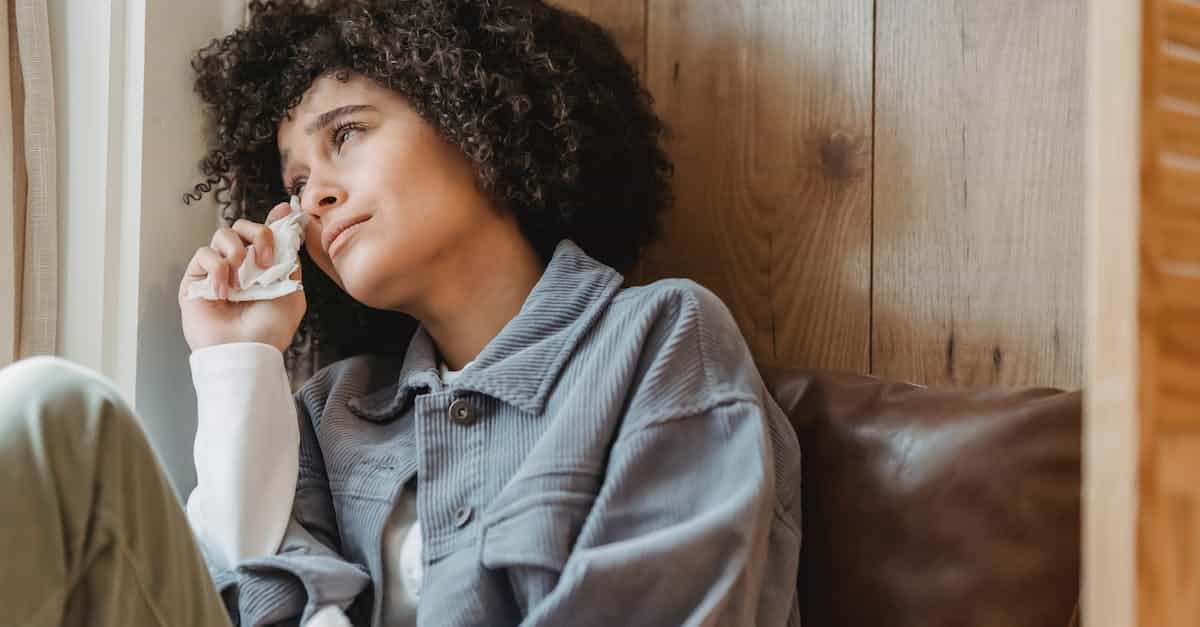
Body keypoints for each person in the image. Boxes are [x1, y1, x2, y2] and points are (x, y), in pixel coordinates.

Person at [0, 0, 802, 625]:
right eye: (294, 182)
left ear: (476, 113)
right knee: (49, 413)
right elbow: (242, 604)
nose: (314, 195)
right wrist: (238, 365)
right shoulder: (329, 410)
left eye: (346, 134)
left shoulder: (660, 340)